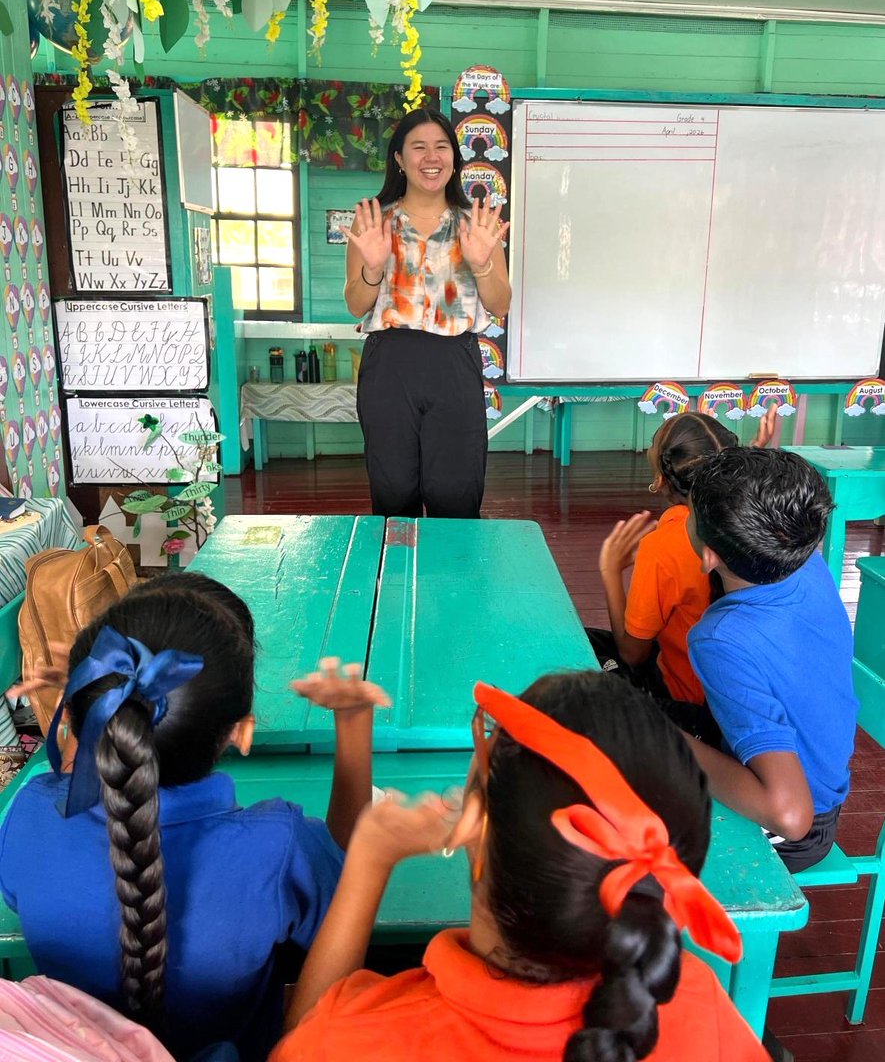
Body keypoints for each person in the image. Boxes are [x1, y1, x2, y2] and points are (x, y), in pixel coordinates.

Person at [271, 672, 767, 1062]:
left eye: (487, 738)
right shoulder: (700, 999)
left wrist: (367, 862)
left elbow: (304, 1041)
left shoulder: (353, 1040)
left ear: (476, 824)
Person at [0, 577, 390, 1062]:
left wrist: (94, 702)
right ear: (240, 733)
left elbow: (64, 802)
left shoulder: (28, 815)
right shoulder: (278, 846)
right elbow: (348, 882)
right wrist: (353, 722)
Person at [685, 447, 858, 873]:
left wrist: (658, 737)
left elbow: (790, 816)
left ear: (709, 556)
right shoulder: (803, 560)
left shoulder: (720, 638)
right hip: (816, 784)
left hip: (791, 832)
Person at [343, 107, 512, 519]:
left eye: (441, 147)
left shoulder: (477, 224)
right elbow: (356, 305)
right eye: (418, 147)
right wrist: (373, 268)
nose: (431, 157)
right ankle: (398, 562)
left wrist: (481, 263)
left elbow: (500, 304)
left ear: (454, 158)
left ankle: (452, 564)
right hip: (389, 365)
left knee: (456, 492)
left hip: (454, 363)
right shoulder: (374, 222)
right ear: (399, 159)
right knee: (393, 491)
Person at [592, 407, 776, 743]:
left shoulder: (664, 545)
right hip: (744, 699)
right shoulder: (754, 521)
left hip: (690, 706)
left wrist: (610, 571)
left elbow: (633, 654)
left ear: (662, 478)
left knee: (583, 656)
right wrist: (752, 453)